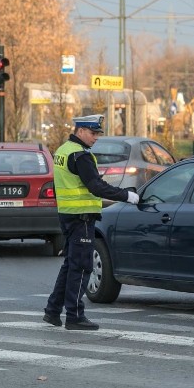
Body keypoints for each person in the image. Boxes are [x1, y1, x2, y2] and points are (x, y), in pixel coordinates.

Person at [43, 114, 139, 331]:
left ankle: (52, 311)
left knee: (70, 265)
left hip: (67, 215)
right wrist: (126, 195)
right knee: (82, 267)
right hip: (81, 217)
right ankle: (75, 316)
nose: (96, 138)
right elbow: (96, 186)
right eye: (93, 133)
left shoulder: (62, 150)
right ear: (80, 131)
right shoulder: (80, 156)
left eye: (98, 134)